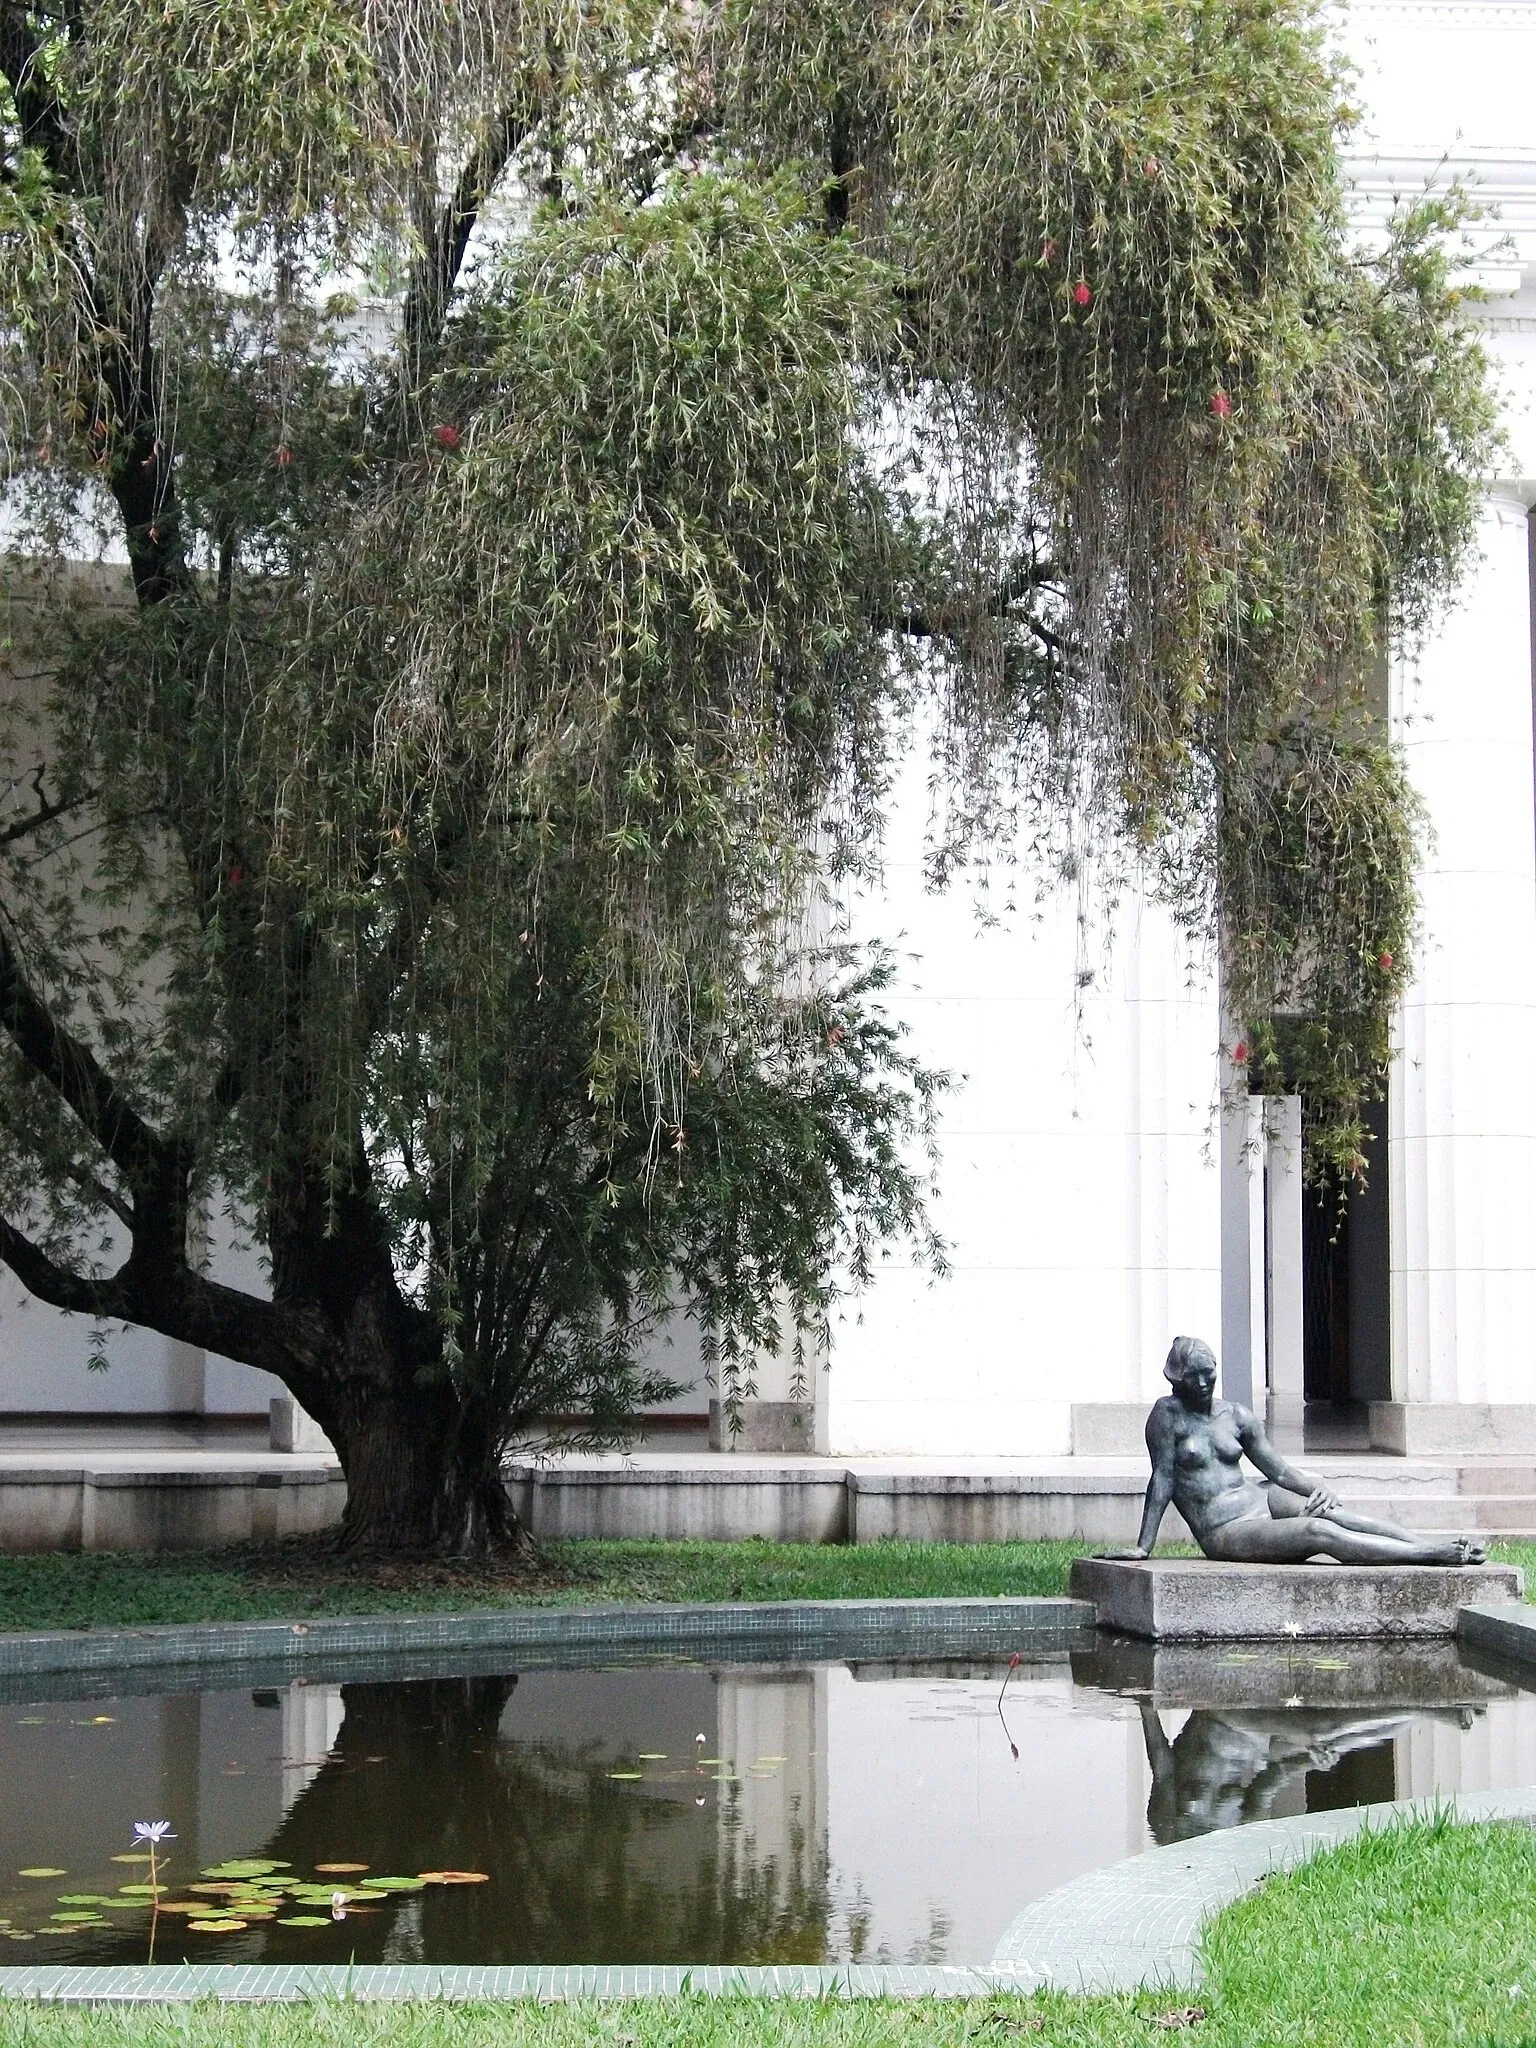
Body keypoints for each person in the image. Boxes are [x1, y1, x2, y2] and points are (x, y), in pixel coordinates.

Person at [1128, 1336, 1486, 1566]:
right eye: (1193, 1376)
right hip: (1225, 1528)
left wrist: (1319, 1488)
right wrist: (1144, 1546)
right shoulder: (1167, 1416)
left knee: (1334, 1513)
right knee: (1317, 1531)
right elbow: (1162, 1480)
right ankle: (1426, 1555)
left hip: (1260, 1498)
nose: (1203, 1382)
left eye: (1208, 1373)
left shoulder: (1235, 1415)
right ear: (1176, 1378)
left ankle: (1428, 1543)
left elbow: (1279, 1472)